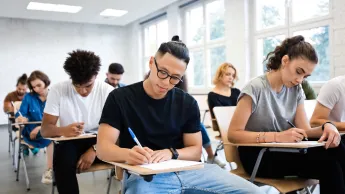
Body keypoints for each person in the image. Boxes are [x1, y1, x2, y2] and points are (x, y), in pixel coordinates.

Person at [97, 35, 264, 194]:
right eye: (162, 72)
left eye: (175, 78)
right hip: (145, 176)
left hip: (189, 171)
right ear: (151, 63)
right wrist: (128, 154)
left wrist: (171, 153)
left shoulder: (187, 102)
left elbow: (195, 151)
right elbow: (103, 149)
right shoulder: (119, 98)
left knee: (253, 191)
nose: (165, 82)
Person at [228, 35, 345, 194]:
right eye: (299, 71)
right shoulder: (255, 88)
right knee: (329, 164)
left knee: (336, 147)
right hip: (258, 156)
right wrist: (277, 137)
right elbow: (233, 135)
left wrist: (328, 126)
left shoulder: (296, 89)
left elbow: (305, 131)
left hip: (286, 150)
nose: (300, 80)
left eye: (305, 76)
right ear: (285, 61)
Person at [41, 50, 114, 194]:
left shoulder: (108, 92)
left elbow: (119, 132)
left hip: (102, 140)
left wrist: (95, 149)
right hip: (71, 140)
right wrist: (63, 130)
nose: (82, 91)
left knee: (129, 148)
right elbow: (45, 130)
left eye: (88, 86)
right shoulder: (58, 90)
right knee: (62, 160)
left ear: (95, 76)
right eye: (77, 85)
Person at [174, 75, 226, 168]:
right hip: (221, 123)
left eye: (232, 75)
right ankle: (211, 155)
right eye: (227, 74)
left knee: (198, 125)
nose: (230, 77)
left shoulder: (185, 99)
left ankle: (211, 156)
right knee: (200, 126)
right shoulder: (213, 94)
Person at [15, 70, 53, 184]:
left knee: (54, 135)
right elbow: (20, 114)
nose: (37, 89)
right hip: (31, 131)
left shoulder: (54, 96)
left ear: (46, 82)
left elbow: (58, 117)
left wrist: (41, 127)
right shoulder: (29, 97)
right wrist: (21, 118)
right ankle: (50, 170)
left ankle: (54, 169)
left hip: (48, 129)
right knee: (53, 139)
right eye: (34, 87)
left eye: (39, 85)